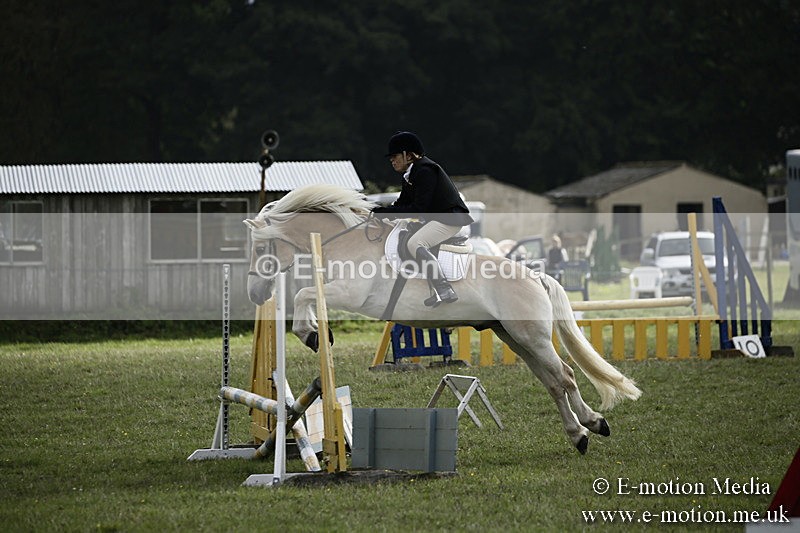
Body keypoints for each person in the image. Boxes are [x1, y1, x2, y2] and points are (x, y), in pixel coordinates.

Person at [372, 131, 473, 307]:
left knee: (415, 244)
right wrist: (382, 212)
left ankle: (444, 288)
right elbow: (402, 203)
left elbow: (419, 209)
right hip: (437, 218)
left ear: (408, 155)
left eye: (395, 156)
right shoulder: (410, 174)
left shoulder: (425, 171)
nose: (391, 160)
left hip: (450, 219)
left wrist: (388, 212)